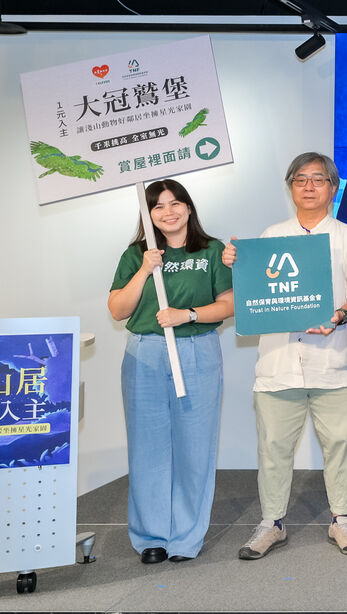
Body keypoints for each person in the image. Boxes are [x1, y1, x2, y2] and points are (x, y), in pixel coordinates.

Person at [221, 153, 347, 560]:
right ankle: (272, 523)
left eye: (318, 179)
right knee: (273, 447)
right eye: (300, 179)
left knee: (342, 444)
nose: (309, 187)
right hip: (279, 363)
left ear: (333, 188)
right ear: (290, 188)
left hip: (334, 361)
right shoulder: (271, 236)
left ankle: (341, 519)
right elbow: (254, 293)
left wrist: (339, 315)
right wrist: (236, 264)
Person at [107, 178, 233, 564]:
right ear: (148, 215)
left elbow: (229, 304)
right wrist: (145, 270)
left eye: (175, 203)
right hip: (145, 353)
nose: (168, 212)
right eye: (158, 206)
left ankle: (185, 536)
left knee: (195, 446)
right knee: (148, 447)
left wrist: (187, 315)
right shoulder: (136, 254)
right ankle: (152, 536)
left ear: (188, 207)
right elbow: (118, 310)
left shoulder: (212, 251)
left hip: (197, 349)